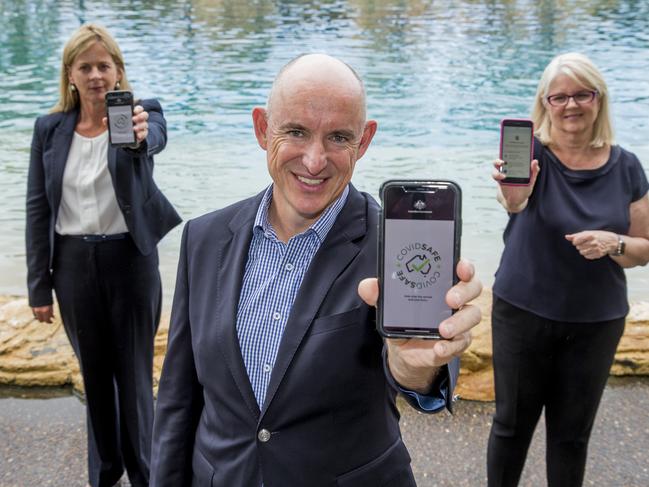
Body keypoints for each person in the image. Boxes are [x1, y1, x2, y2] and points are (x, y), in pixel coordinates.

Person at [150, 53, 483, 486]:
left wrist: (416, 368)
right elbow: (178, 400)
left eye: (338, 138)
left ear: (363, 142)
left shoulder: (395, 245)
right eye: (296, 132)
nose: (314, 160)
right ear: (261, 128)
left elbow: (420, 371)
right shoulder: (204, 238)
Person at [26, 24, 181, 487]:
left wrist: (136, 137)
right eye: (85, 66)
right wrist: (39, 285)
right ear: (70, 74)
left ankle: (148, 473)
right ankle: (105, 473)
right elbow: (37, 208)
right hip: (72, 265)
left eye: (103, 65)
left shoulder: (141, 115)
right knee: (95, 379)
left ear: (117, 72)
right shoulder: (49, 129)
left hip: (129, 262)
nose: (95, 75)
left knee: (134, 378)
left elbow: (150, 138)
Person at [488, 52, 649, 487]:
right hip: (523, 312)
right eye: (559, 97)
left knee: (571, 438)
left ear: (599, 99)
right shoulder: (531, 153)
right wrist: (511, 193)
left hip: (596, 322)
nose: (571, 105)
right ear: (545, 103)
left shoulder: (628, 166)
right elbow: (515, 203)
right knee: (510, 428)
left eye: (582, 94)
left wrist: (611, 242)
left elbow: (643, 249)